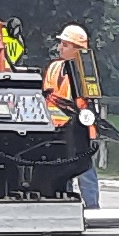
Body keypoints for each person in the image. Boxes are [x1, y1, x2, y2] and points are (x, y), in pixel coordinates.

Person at [42, 23, 105, 212]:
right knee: (62, 172)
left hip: (78, 130)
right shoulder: (54, 67)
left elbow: (88, 105)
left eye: (66, 44)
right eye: (61, 43)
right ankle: (65, 206)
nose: (60, 47)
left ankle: (92, 208)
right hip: (54, 131)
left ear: (78, 49)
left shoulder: (85, 73)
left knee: (84, 171)